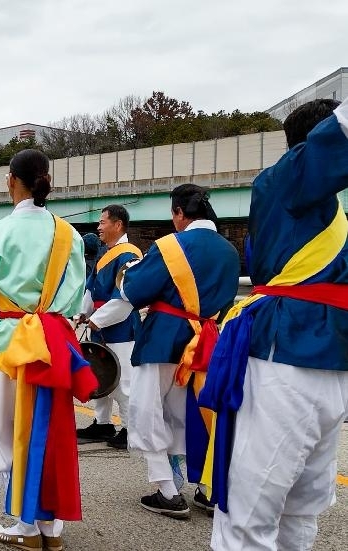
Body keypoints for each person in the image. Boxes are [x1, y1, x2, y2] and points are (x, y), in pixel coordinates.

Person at [200, 99, 348, 551]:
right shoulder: (288, 179)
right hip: (302, 355)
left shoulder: (321, 208)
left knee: (280, 509)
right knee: (270, 510)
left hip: (294, 360)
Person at [0, 149, 96, 550]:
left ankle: (23, 522)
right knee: (52, 428)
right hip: (55, 340)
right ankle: (50, 527)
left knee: (10, 429)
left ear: (11, 180)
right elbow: (75, 300)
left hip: (12, 342)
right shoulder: (68, 234)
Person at [119, 184, 239, 520]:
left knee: (147, 412)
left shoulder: (172, 246)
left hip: (163, 339)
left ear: (179, 213)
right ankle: (206, 488)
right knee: (191, 415)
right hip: (204, 342)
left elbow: (133, 289)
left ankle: (167, 491)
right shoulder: (230, 251)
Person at [75, 205, 142, 449]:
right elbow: (92, 289)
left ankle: (129, 428)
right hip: (102, 324)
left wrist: (97, 318)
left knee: (123, 380)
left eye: (103, 222)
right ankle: (102, 423)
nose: (99, 227)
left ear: (118, 224)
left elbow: (126, 297)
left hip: (121, 328)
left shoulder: (129, 255)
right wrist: (84, 312)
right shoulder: (108, 252)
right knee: (100, 374)